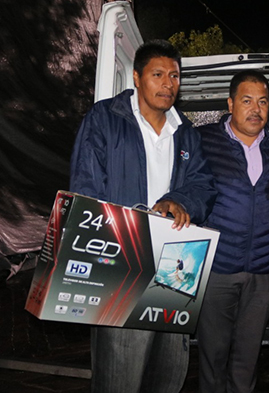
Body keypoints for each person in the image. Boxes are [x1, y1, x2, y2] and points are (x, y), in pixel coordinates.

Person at [69, 39, 216, 393]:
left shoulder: (186, 132)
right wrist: (102, 253)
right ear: (137, 77)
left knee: (168, 371)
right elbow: (86, 187)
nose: (168, 84)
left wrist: (177, 201)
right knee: (120, 373)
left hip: (174, 266)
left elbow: (203, 186)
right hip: (122, 262)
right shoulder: (105, 119)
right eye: (158, 74)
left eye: (175, 76)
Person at [196, 70, 269, 393]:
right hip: (216, 267)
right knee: (212, 352)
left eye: (263, 102)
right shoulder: (202, 140)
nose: (256, 109)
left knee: (248, 355)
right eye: (247, 101)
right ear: (230, 104)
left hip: (265, 269)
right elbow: (187, 189)